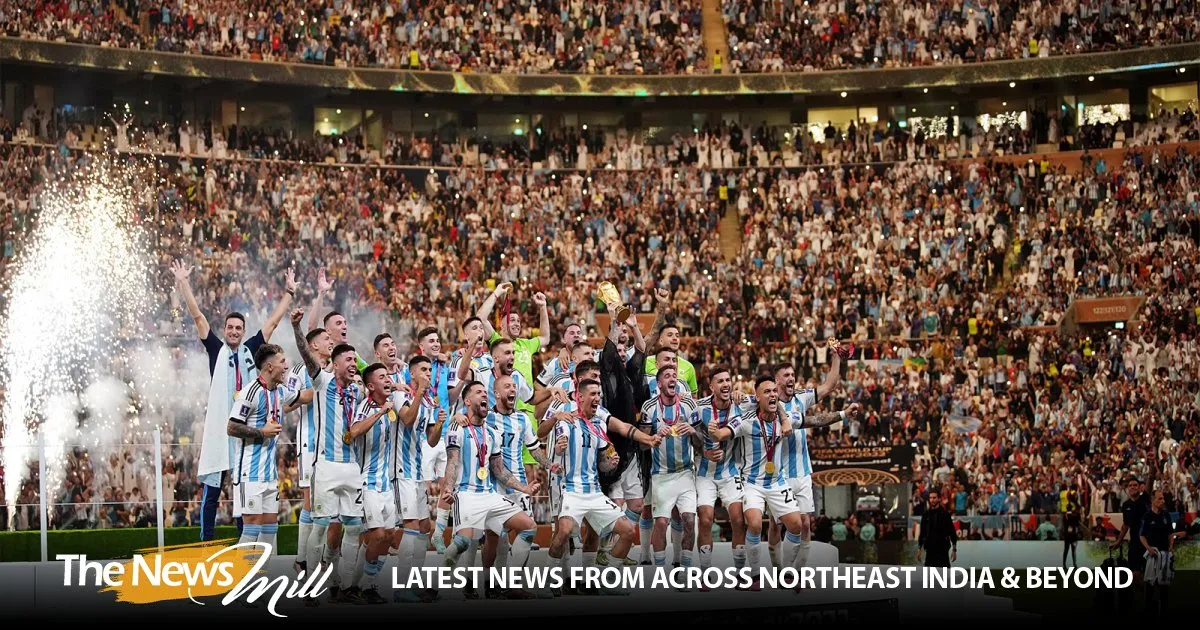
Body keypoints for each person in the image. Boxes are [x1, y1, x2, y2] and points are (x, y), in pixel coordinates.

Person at [171, 260, 296, 542]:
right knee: (213, 489)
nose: (235, 331)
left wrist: (289, 293)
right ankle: (207, 544)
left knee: (242, 489)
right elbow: (199, 318)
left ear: (244, 330)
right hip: (220, 429)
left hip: (246, 428)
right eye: (230, 327)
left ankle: (245, 542)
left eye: (239, 328)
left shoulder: (252, 349)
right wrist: (183, 283)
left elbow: (273, 322)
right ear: (225, 329)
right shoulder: (217, 350)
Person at [440, 381, 543, 600]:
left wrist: (524, 487)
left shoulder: (492, 433)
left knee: (528, 527)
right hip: (466, 493)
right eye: (478, 392)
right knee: (463, 542)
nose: (484, 396)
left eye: (485, 393)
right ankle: (431, 587)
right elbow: (452, 462)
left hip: (490, 494)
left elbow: (499, 469)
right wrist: (448, 488)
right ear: (467, 401)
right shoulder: (457, 427)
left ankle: (508, 584)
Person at [291, 309, 365, 604]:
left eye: (354, 360)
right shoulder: (321, 381)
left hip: (352, 467)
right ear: (334, 364)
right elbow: (305, 352)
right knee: (320, 525)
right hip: (325, 466)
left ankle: (344, 586)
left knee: (353, 526)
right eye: (348, 360)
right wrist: (297, 326)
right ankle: (309, 584)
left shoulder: (357, 392)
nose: (352, 364)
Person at [546, 379, 640, 595]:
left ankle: (603, 581)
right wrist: (560, 449)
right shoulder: (567, 421)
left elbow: (603, 464)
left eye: (599, 394)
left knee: (627, 531)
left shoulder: (598, 425)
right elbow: (558, 449)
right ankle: (550, 582)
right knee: (564, 532)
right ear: (580, 397)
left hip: (594, 492)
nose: (598, 398)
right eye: (593, 394)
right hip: (572, 490)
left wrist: (610, 462)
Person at [484, 374, 559, 598]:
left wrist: (550, 464)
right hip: (495, 486)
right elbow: (464, 420)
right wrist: (459, 416)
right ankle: (491, 585)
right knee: (494, 536)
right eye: (507, 386)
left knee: (527, 530)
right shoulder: (486, 417)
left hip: (519, 487)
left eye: (514, 386)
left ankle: (511, 583)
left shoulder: (522, 419)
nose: (513, 390)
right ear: (496, 393)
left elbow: (534, 448)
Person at [772, 340, 843, 572]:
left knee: (804, 523)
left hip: (802, 472)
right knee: (775, 524)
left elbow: (829, 385)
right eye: (786, 375)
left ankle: (798, 571)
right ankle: (777, 568)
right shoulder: (767, 402)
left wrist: (836, 356)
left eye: (792, 374)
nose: (791, 378)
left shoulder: (802, 397)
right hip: (777, 475)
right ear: (777, 381)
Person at [227, 343, 295, 570]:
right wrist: (261, 432)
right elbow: (232, 427)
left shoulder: (280, 392)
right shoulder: (250, 392)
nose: (285, 366)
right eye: (282, 362)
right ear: (269, 366)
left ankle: (260, 582)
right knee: (252, 527)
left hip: (269, 473)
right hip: (249, 470)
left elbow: (303, 396)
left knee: (270, 528)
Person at [638, 365, 701, 584]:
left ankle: (684, 571)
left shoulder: (688, 405)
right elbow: (643, 446)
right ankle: (659, 573)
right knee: (662, 523)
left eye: (674, 375)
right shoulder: (649, 408)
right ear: (659, 384)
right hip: (661, 475)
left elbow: (702, 443)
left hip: (685, 473)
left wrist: (693, 432)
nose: (673, 378)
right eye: (667, 376)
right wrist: (654, 436)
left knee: (689, 520)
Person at [391, 355, 444, 603]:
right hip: (400, 470)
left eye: (429, 370)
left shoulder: (428, 401)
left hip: (417, 470)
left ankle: (416, 581)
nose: (427, 374)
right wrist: (421, 392)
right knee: (411, 526)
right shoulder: (402, 393)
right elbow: (407, 419)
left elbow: (431, 439)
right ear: (412, 374)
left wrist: (440, 424)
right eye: (423, 369)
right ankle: (402, 588)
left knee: (423, 526)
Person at [347, 363, 398, 605]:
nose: (387, 379)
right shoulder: (365, 407)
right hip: (366, 482)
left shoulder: (390, 406)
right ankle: (366, 587)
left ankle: (357, 586)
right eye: (382, 377)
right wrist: (379, 412)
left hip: (385, 483)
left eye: (388, 375)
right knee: (376, 534)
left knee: (388, 536)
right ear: (370, 386)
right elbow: (354, 431)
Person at [693, 366, 746, 584]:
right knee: (705, 520)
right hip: (705, 472)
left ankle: (741, 574)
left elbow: (764, 399)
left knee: (738, 519)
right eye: (720, 381)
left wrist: (743, 395)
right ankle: (705, 574)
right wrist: (703, 450)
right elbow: (691, 434)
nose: (725, 384)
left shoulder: (740, 405)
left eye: (728, 380)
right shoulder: (699, 407)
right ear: (711, 386)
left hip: (730, 471)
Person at [285, 327, 331, 576]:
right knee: (311, 501)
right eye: (326, 339)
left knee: (328, 502)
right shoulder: (298, 371)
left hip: (333, 445)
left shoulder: (337, 367)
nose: (331, 342)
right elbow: (287, 403)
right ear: (313, 345)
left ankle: (319, 555)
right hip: (309, 442)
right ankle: (303, 558)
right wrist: (321, 386)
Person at [1139, 490, 1184, 618]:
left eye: (1163, 499)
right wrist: (1148, 548)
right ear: (1153, 500)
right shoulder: (1147, 516)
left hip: (1164, 554)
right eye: (1160, 499)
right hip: (1152, 554)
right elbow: (1141, 536)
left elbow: (1170, 534)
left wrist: (1171, 546)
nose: (1163, 501)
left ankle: (1163, 611)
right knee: (1149, 584)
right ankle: (1148, 610)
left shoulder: (1166, 515)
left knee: (1164, 585)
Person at [916, 489, 957, 568]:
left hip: (943, 550)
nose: (932, 500)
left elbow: (952, 532)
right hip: (930, 549)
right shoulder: (926, 515)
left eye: (934, 498)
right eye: (930, 498)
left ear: (939, 499)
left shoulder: (945, 514)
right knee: (928, 576)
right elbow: (922, 533)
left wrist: (954, 550)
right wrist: (919, 549)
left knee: (944, 576)